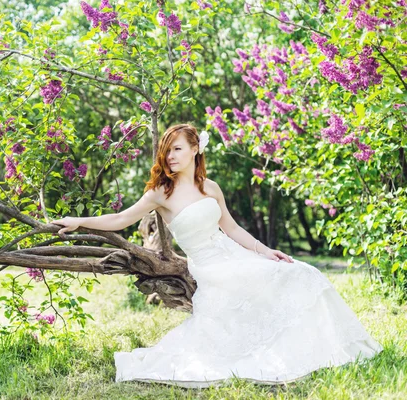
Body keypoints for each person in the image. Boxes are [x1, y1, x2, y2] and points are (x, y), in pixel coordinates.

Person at [50, 123, 382, 387]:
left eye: (177, 149)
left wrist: (266, 252)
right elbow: (121, 219)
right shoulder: (159, 193)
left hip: (231, 254)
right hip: (208, 266)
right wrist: (78, 222)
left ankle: (317, 347)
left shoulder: (210, 187)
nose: (170, 157)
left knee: (303, 273)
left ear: (195, 150)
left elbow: (233, 230)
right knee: (255, 290)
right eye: (166, 151)